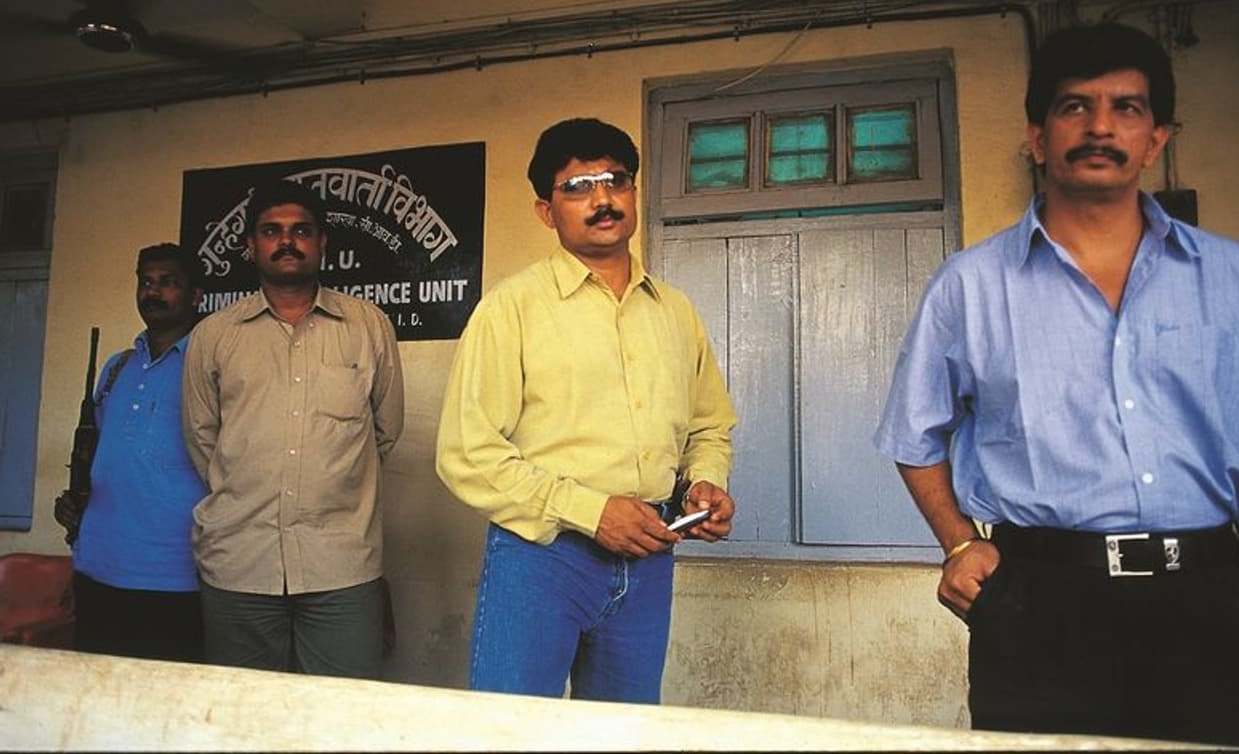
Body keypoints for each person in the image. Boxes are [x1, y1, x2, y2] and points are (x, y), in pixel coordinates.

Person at [874, 22, 1239, 747]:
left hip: (1211, 601)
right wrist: (959, 544)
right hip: (1038, 606)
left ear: (1156, 138)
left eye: (1127, 108)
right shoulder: (971, 286)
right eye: (1074, 107)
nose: (1100, 127)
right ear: (1037, 137)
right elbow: (914, 433)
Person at [436, 117, 737, 703]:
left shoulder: (675, 312)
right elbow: (467, 452)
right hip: (543, 555)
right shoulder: (511, 309)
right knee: (513, 733)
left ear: (633, 192)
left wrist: (705, 482)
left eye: (615, 180)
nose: (602, 199)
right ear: (546, 211)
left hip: (650, 551)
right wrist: (591, 511)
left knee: (624, 732)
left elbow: (709, 425)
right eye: (577, 187)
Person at [182, 179, 404, 679]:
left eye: (301, 230)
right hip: (239, 563)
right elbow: (203, 439)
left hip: (341, 565)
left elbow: (385, 431)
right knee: (242, 712)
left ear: (322, 241)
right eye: (271, 231)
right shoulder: (213, 335)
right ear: (250, 245)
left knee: (339, 711)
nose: (287, 241)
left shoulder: (368, 326)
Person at [53, 243, 208, 662]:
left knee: (165, 699)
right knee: (98, 694)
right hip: (97, 570)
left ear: (195, 295)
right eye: (146, 282)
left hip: (176, 578)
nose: (153, 292)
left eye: (168, 283)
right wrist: (75, 507)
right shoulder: (117, 367)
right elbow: (99, 457)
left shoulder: (210, 367)